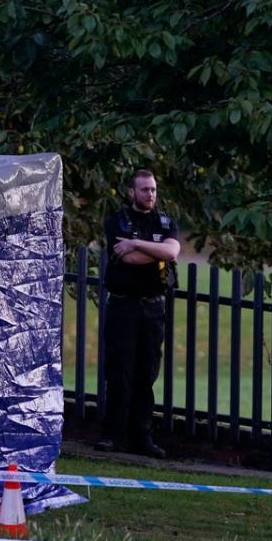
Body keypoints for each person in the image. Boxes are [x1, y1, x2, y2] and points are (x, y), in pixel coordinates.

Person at [95, 169, 180, 458]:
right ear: (131, 192)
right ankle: (111, 435)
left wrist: (137, 243)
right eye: (144, 189)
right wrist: (151, 250)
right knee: (120, 372)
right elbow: (127, 257)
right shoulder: (117, 220)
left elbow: (171, 253)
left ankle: (142, 437)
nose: (150, 194)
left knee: (147, 373)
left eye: (153, 189)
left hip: (153, 307)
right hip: (124, 305)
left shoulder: (165, 221)